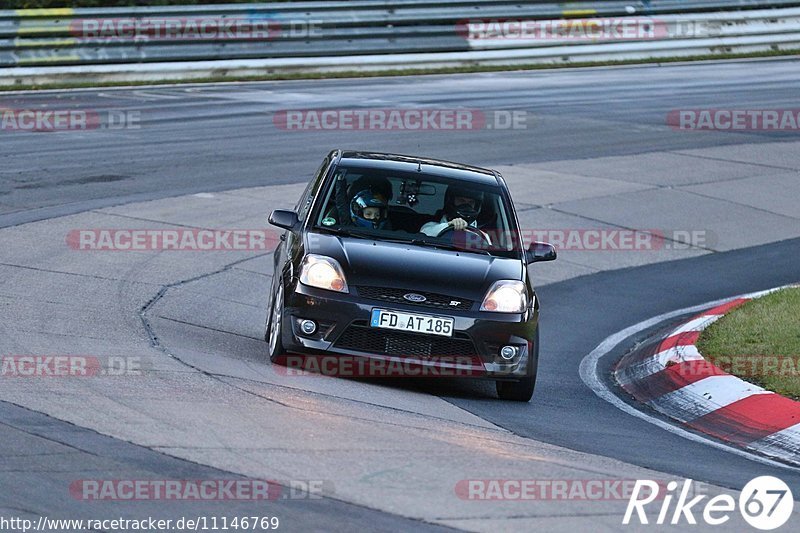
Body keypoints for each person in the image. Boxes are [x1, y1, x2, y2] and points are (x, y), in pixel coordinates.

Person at [420, 185, 484, 237]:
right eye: (461, 201)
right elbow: (424, 234)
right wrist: (449, 225)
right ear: (451, 201)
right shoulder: (430, 227)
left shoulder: (483, 235)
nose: (466, 205)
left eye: (470, 202)